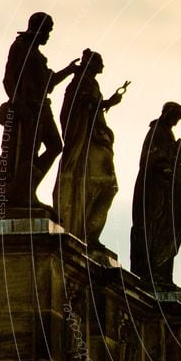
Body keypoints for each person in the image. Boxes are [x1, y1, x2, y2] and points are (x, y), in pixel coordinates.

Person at [0, 12, 78, 212]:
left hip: (42, 109)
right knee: (26, 153)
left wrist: (70, 70)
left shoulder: (38, 55)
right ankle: (23, 193)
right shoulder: (20, 48)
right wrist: (19, 106)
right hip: (28, 111)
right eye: (48, 31)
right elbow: (9, 80)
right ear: (39, 29)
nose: (49, 36)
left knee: (55, 146)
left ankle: (27, 188)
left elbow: (49, 83)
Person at [53, 49, 122, 247]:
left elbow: (89, 105)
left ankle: (90, 233)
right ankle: (87, 233)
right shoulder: (81, 82)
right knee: (104, 185)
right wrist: (108, 102)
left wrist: (105, 104)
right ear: (92, 64)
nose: (102, 67)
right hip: (87, 142)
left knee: (107, 187)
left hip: (96, 140)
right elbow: (83, 105)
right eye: (100, 63)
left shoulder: (89, 82)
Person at [130, 102, 181, 289]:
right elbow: (153, 159)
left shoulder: (166, 133)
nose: (176, 123)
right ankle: (152, 273)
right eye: (175, 118)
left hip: (168, 191)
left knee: (171, 227)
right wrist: (176, 160)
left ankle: (162, 273)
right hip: (155, 192)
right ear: (167, 113)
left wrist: (179, 157)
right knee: (157, 228)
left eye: (178, 119)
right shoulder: (157, 132)